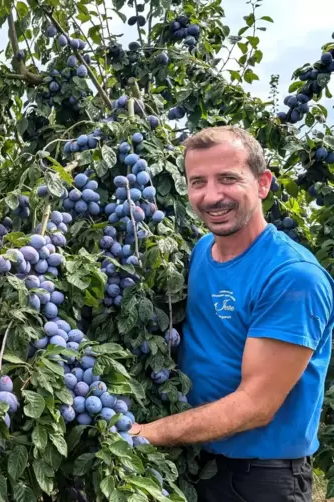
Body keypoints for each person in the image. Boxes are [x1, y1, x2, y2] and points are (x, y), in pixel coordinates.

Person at [129, 126, 333, 502]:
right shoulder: (204, 249)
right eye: (197, 182)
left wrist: (148, 433)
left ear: (262, 183)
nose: (211, 196)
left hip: (260, 479)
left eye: (228, 178)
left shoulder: (292, 277)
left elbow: (255, 406)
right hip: (196, 460)